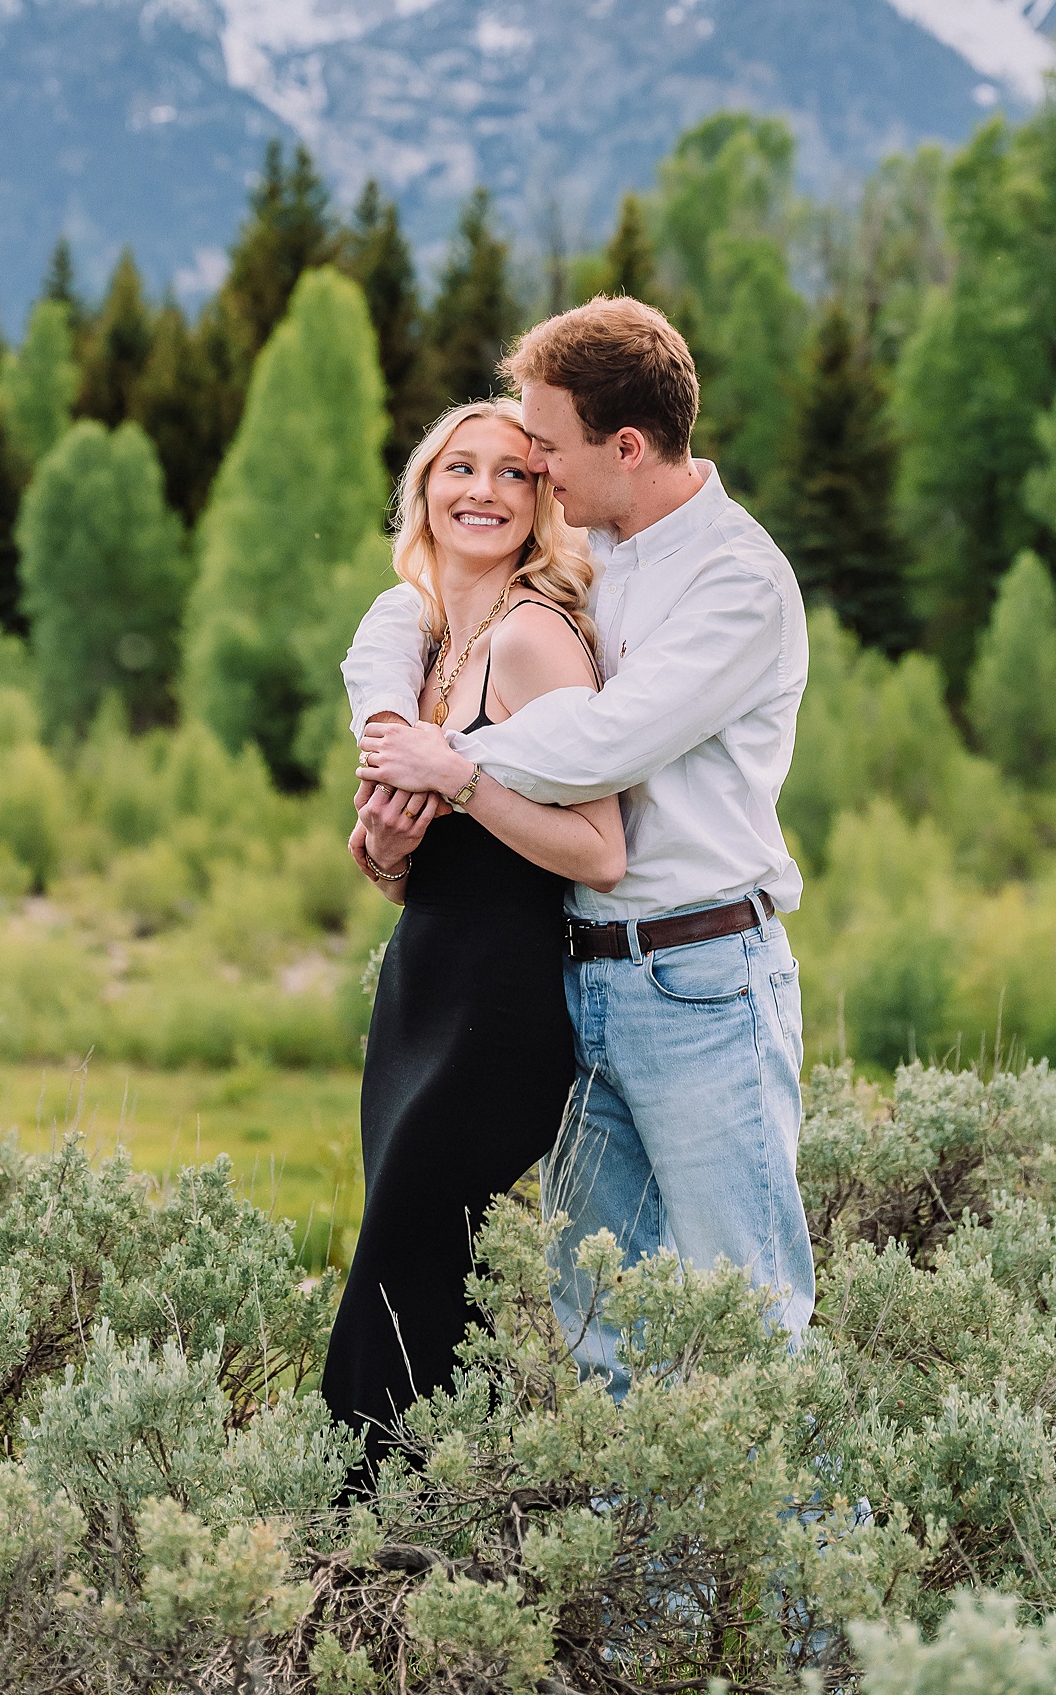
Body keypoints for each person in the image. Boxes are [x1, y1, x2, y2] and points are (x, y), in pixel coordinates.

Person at [347, 296, 815, 1389]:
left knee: (748, 1311)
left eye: (546, 449)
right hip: (580, 978)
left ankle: (799, 1518)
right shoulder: (604, 549)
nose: (537, 471)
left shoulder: (735, 582)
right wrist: (389, 723)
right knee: (600, 1320)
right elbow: (416, 610)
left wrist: (448, 763)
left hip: (702, 975)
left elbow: (604, 743)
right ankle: (636, 1519)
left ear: (626, 446)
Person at [320, 397, 625, 1468]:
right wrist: (389, 849)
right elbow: (430, 876)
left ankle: (359, 1514)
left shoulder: (533, 639)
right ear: (423, 489)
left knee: (398, 1274)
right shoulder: (430, 644)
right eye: (460, 467)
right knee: (430, 1277)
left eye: (512, 472)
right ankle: (461, 1512)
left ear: (543, 500)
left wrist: (457, 782)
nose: (483, 490)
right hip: (421, 992)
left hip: (501, 1010)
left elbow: (599, 851)